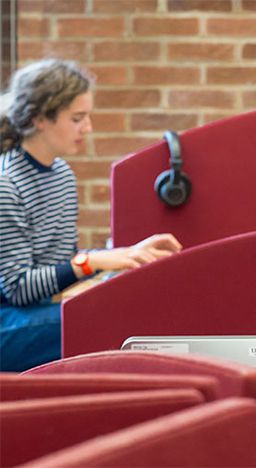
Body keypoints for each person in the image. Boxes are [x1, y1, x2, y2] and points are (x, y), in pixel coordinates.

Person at [0, 59, 182, 371]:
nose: (88, 128)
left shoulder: (61, 175)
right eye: (77, 118)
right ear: (39, 118)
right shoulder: (7, 184)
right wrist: (96, 262)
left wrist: (126, 257)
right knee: (110, 319)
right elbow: (18, 288)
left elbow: (62, 268)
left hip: (38, 313)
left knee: (130, 302)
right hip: (9, 322)